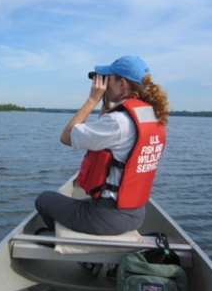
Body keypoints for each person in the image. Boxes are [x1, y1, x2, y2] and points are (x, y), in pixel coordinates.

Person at [35, 55, 169, 235]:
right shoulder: (151, 116)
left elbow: (66, 137)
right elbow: (104, 138)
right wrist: (107, 102)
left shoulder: (118, 121)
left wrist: (93, 99)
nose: (103, 84)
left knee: (44, 199)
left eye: (109, 79)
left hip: (107, 217)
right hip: (136, 213)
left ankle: (58, 240)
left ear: (122, 84)